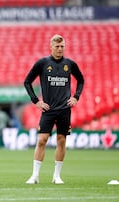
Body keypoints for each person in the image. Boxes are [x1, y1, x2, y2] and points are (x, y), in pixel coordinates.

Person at [24, 34, 84, 184]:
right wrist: (36, 101)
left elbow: (81, 80)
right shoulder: (43, 63)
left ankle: (57, 176)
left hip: (64, 109)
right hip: (48, 109)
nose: (60, 49)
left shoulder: (70, 64)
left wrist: (76, 97)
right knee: (42, 140)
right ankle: (35, 176)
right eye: (57, 46)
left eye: (62, 46)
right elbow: (27, 82)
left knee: (61, 140)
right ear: (51, 47)